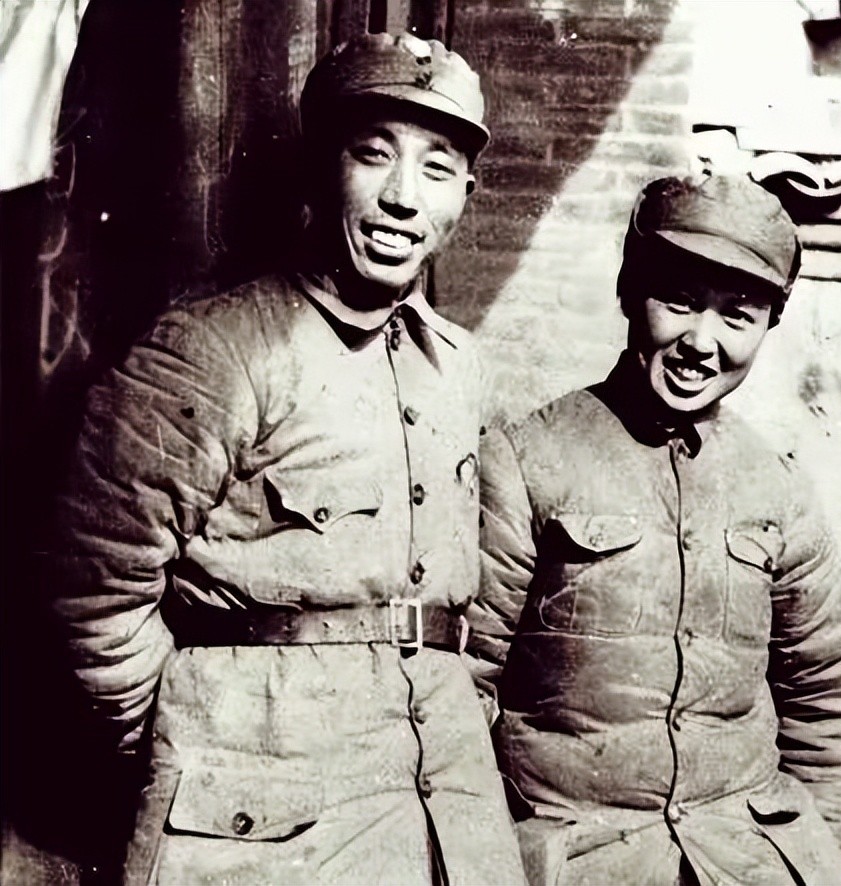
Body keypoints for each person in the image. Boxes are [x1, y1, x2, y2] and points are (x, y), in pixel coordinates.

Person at [45, 31, 525, 886]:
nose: (403, 197)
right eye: (372, 155)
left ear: (466, 195)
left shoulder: (461, 368)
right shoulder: (213, 351)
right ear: (316, 168)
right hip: (258, 815)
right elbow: (95, 590)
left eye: (438, 169)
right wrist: (188, 732)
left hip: (445, 808)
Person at [469, 174, 841, 885]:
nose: (701, 343)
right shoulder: (525, 460)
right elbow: (462, 684)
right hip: (580, 864)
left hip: (747, 864)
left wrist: (824, 859)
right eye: (678, 301)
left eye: (738, 316)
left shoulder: (779, 488)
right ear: (631, 292)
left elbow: (825, 700)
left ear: (767, 328)